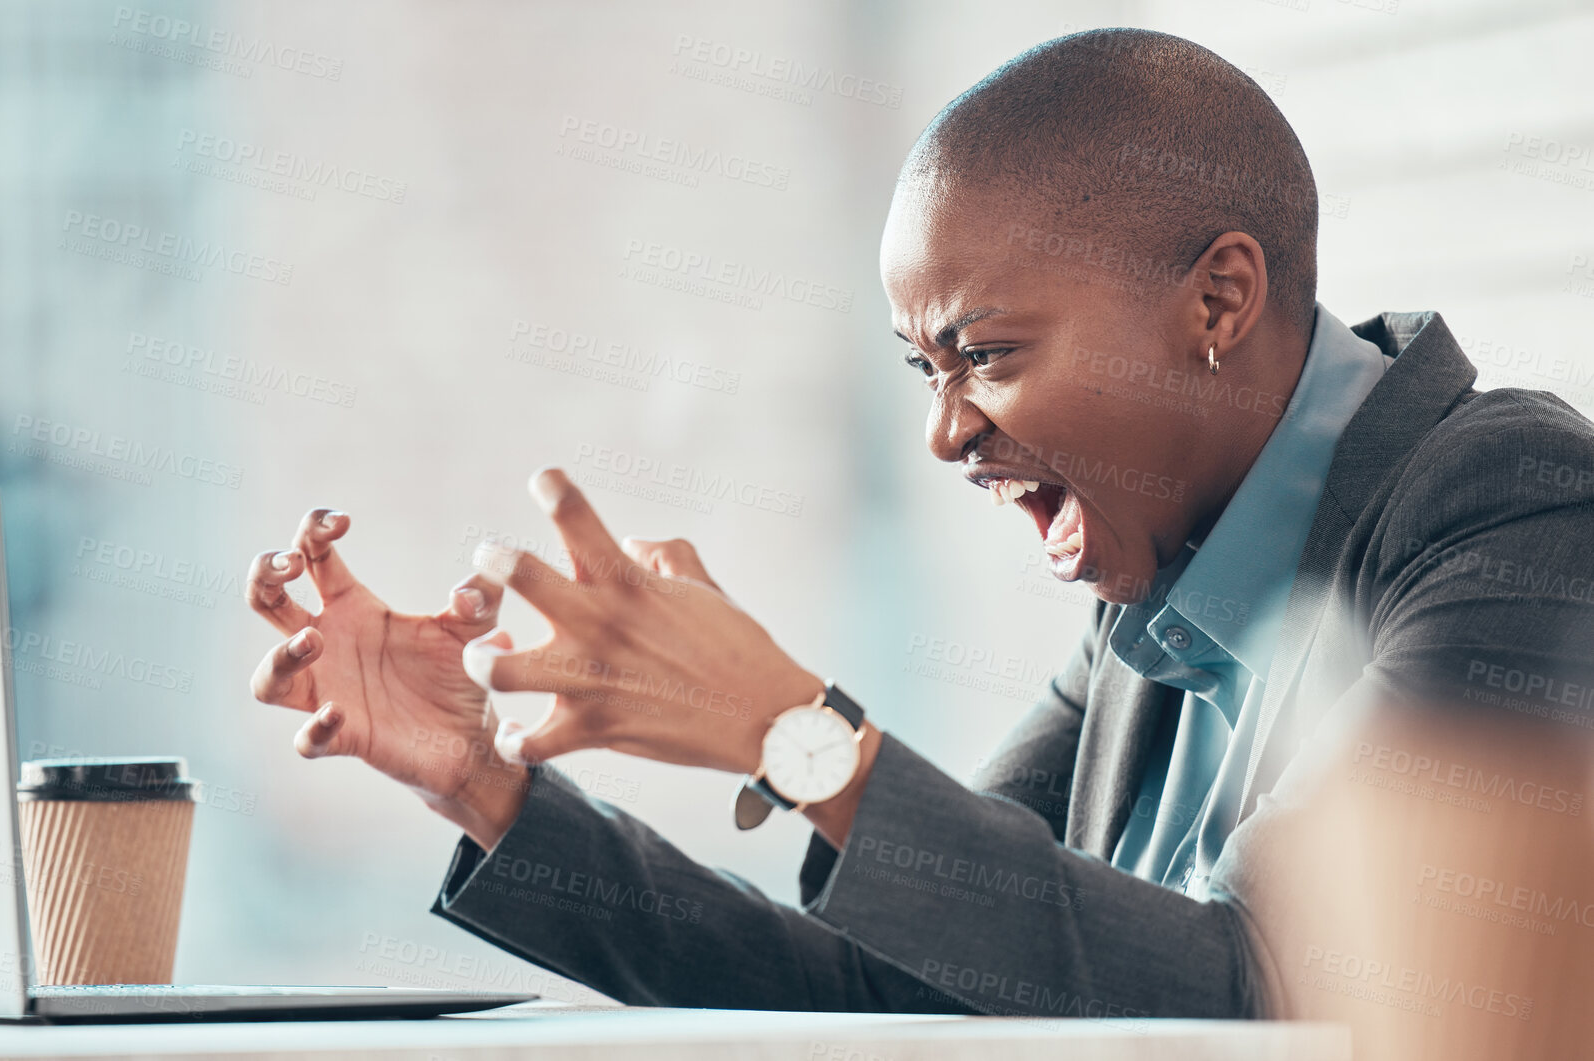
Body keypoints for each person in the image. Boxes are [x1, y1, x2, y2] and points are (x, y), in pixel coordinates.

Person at [243, 27, 1594, 1049]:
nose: (947, 435)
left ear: (1220, 300)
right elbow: (895, 986)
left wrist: (791, 733)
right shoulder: (1153, 605)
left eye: (986, 356)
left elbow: (1284, 1002)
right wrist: (480, 782)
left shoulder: (1511, 507)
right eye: (921, 372)